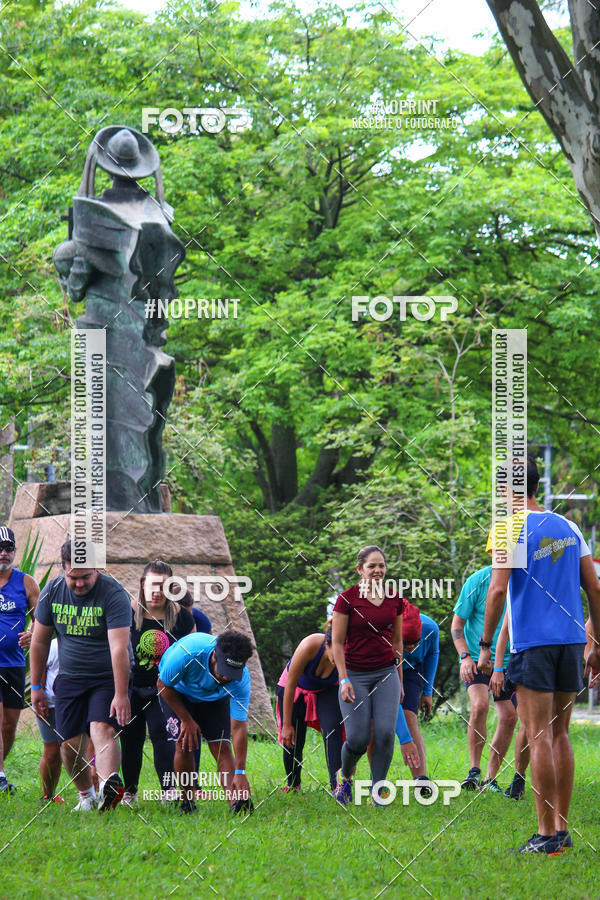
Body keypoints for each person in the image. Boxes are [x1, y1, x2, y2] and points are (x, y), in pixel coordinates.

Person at [478, 456, 600, 854]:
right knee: (560, 733)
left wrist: (484, 647)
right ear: (533, 484)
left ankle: (546, 834)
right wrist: (595, 642)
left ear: (505, 490)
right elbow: (594, 589)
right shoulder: (569, 527)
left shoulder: (507, 527)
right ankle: (560, 828)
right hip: (569, 642)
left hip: (532, 644)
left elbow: (497, 592)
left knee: (539, 733)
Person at [30, 540, 132, 812]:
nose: (78, 583)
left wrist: (121, 694)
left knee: (102, 728)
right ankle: (87, 796)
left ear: (96, 568)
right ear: (63, 569)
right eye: (72, 577)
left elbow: (119, 647)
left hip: (106, 677)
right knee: (69, 746)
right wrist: (37, 686)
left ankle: (110, 786)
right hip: (70, 678)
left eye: (85, 576)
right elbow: (39, 641)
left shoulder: (113, 593)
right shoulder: (52, 591)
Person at [331, 545, 420, 806]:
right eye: (371, 566)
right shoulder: (346, 599)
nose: (377, 570)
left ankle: (378, 791)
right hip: (355, 674)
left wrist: (400, 680)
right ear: (360, 569)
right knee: (358, 738)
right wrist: (344, 678)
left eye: (381, 565)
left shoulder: (394, 600)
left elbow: (397, 644)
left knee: (384, 733)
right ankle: (345, 778)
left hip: (385, 673)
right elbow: (336, 642)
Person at [120, 560, 195, 806]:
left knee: (163, 736)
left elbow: (192, 654)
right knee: (130, 739)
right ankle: (129, 791)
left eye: (163, 586)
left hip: (165, 690)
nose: (157, 591)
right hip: (131, 687)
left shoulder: (182, 618)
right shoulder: (126, 612)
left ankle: (169, 789)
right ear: (142, 584)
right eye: (152, 585)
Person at [157, 630, 254, 814]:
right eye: (225, 671)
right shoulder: (189, 653)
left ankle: (236, 805)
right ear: (214, 656)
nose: (227, 677)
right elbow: (162, 685)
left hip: (213, 700)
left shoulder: (241, 680)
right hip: (177, 693)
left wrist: (240, 772)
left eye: (233, 673)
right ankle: (188, 802)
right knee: (185, 743)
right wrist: (186, 719)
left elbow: (239, 726)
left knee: (222, 747)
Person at [451, 565, 518, 791]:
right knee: (479, 705)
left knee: (509, 717)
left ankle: (490, 778)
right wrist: (465, 657)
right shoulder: (478, 580)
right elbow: (457, 625)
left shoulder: (524, 579)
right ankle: (474, 771)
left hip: (509, 659)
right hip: (478, 656)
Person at [276, 622, 343, 792]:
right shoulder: (310, 644)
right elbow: (290, 684)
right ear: (327, 644)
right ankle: (293, 785)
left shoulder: (347, 656)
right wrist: (286, 725)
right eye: (336, 652)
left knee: (333, 732)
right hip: (294, 689)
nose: (340, 659)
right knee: (293, 738)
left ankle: (338, 787)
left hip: (325, 690)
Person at [0, 526, 40, 794]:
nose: (4, 553)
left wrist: (32, 634)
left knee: (9, 724)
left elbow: (42, 620)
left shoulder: (26, 582)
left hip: (14, 664)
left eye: (8, 548)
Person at [490, 612, 530, 800]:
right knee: (526, 720)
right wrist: (498, 669)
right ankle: (517, 778)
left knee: (552, 726)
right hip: (522, 662)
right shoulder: (517, 589)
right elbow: (504, 631)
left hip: (556, 656)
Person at [400, 602, 440, 786]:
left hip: (411, 670)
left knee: (410, 719)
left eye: (414, 643)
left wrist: (427, 691)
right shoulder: (386, 628)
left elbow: (432, 654)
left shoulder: (431, 628)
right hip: (385, 668)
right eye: (405, 644)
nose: (410, 648)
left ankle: (420, 779)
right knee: (376, 727)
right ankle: (376, 781)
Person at [34, 637, 64, 803]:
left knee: (89, 749)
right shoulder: (50, 645)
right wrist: (39, 695)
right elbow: (40, 670)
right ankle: (48, 795)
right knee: (52, 753)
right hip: (51, 704)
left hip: (78, 703)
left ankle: (92, 793)